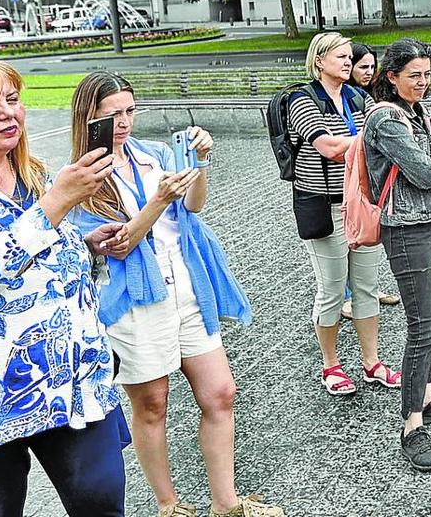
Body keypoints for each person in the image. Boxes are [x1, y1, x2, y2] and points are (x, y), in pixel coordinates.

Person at [67, 73, 281, 517]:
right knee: (152, 404)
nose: (124, 123)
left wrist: (200, 161)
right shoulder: (81, 177)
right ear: (89, 118)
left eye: (129, 111)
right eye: (112, 115)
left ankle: (227, 503)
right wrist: (159, 200)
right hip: (133, 299)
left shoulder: (154, 154)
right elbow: (118, 246)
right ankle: (169, 504)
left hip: (185, 283)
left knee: (221, 393)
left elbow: (195, 207)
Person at [0, 59, 127, 516]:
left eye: (13, 99)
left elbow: (40, 255)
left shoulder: (35, 175)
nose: (8, 113)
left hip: (73, 377)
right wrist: (57, 203)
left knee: (102, 500)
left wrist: (84, 246)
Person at [363, 39, 431, 473]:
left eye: (427, 74)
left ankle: (426, 394)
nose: (423, 83)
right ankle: (412, 425)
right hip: (405, 229)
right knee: (422, 325)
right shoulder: (386, 120)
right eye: (414, 76)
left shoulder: (418, 112)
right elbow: (430, 170)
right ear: (392, 77)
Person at [282, 34, 399, 395]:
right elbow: (330, 147)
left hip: (361, 202)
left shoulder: (357, 97)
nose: (349, 63)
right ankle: (331, 365)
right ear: (319, 61)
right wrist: (377, 136)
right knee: (332, 289)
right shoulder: (302, 99)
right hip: (325, 204)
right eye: (341, 57)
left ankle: (371, 362)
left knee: (365, 286)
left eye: (351, 57)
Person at [340, 41, 400, 316]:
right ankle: (348, 296)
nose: (368, 72)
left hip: (368, 178)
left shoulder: (368, 95)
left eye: (372, 67)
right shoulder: (345, 97)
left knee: (369, 235)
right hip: (343, 180)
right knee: (347, 241)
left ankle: (368, 289)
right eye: (362, 66)